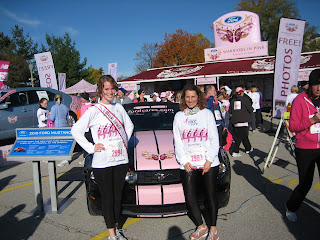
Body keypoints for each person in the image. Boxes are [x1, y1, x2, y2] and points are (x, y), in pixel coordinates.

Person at [71, 75, 134, 240]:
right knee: (108, 198)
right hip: (103, 162)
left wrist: (122, 142)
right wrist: (91, 148)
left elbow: (130, 125)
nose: (111, 92)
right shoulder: (93, 110)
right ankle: (112, 235)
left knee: (118, 197)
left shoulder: (119, 108)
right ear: (100, 91)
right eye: (107, 89)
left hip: (120, 159)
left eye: (113, 88)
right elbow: (76, 131)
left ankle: (116, 228)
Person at [173, 84, 220, 240]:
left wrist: (209, 160)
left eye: (193, 96)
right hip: (188, 163)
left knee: (210, 196)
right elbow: (177, 141)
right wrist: (184, 161)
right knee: (190, 197)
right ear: (183, 98)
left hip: (208, 162)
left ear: (198, 97)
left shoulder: (206, 114)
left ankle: (213, 228)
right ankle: (201, 226)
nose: (190, 100)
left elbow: (214, 138)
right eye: (187, 97)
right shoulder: (179, 116)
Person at [285, 69, 320, 222]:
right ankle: (291, 207)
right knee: (305, 183)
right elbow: (292, 126)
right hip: (305, 148)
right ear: (310, 85)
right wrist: (313, 120)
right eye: (316, 85)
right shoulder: (299, 100)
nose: (319, 88)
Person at [229, 87, 254, 157]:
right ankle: (235, 151)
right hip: (244, 120)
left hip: (236, 121)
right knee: (240, 137)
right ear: (242, 92)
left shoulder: (233, 101)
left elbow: (230, 111)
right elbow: (251, 109)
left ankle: (248, 148)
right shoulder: (245, 100)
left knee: (244, 136)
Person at [48, 93, 70, 166]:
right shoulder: (65, 107)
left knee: (60, 143)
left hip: (58, 126)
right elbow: (67, 118)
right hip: (65, 125)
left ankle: (64, 159)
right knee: (65, 142)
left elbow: (52, 118)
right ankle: (66, 158)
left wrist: (47, 114)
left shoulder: (54, 107)